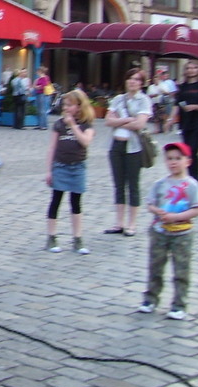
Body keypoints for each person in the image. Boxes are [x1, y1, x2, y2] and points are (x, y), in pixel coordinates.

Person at [138, 142, 198, 320]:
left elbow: (197, 209)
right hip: (159, 232)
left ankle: (179, 304)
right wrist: (157, 211)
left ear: (187, 161)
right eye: (170, 159)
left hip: (182, 234)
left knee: (181, 270)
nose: (173, 162)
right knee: (155, 267)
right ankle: (150, 299)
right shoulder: (160, 184)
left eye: (178, 159)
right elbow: (150, 204)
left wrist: (176, 217)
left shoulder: (191, 185)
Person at [103, 68, 153, 237]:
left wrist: (118, 121)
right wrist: (126, 120)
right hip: (116, 145)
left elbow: (140, 124)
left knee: (133, 185)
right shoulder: (118, 99)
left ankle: (132, 224)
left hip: (134, 147)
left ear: (141, 83)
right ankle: (119, 223)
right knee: (118, 185)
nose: (133, 81)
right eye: (130, 78)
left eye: (137, 79)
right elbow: (108, 121)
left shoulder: (144, 100)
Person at [44, 90, 95, 255]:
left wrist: (73, 125)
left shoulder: (86, 124)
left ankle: (77, 239)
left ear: (79, 107)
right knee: (56, 200)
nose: (66, 108)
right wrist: (49, 170)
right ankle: (51, 236)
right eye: (64, 104)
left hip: (78, 167)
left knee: (76, 202)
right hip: (60, 166)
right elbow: (52, 147)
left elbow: (85, 142)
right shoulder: (58, 124)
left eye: (70, 105)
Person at [175, 58, 198, 181]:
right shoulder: (182, 86)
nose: (191, 70)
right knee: (187, 151)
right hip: (186, 122)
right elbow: (177, 103)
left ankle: (195, 179)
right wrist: (170, 119)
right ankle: (189, 178)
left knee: (192, 150)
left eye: (194, 68)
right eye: (189, 68)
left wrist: (195, 107)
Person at [147, 67, 177, 134]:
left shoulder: (163, 84)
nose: (156, 80)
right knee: (156, 117)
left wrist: (163, 92)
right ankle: (157, 129)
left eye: (157, 78)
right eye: (154, 79)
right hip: (155, 102)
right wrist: (153, 95)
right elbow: (148, 95)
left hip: (163, 102)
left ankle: (165, 128)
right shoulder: (151, 87)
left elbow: (168, 92)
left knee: (164, 116)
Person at [33, 66, 52, 130]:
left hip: (42, 94)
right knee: (39, 109)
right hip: (39, 94)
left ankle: (44, 125)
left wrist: (37, 86)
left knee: (42, 110)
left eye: (37, 71)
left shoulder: (44, 78)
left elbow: (44, 86)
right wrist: (36, 86)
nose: (37, 73)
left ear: (40, 71)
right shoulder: (39, 78)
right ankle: (40, 124)